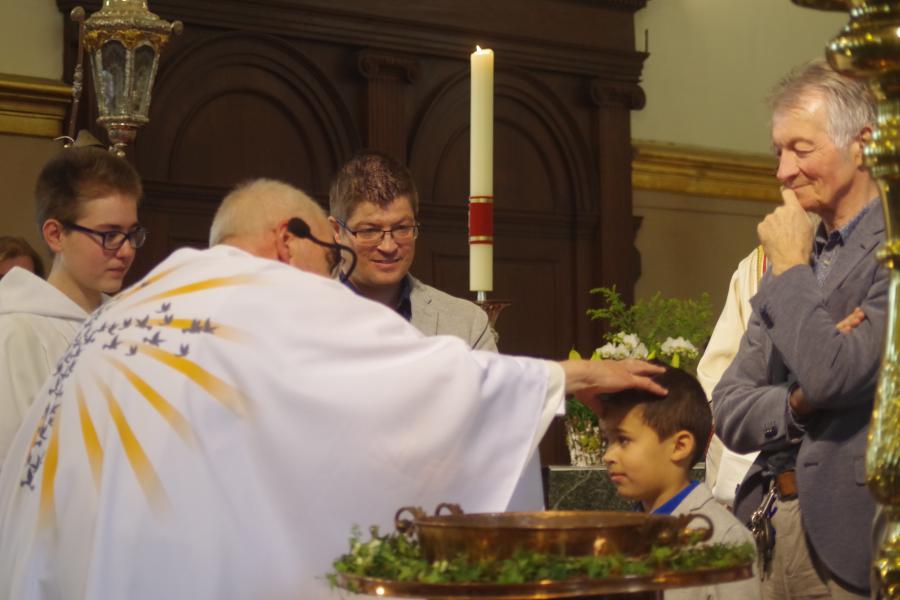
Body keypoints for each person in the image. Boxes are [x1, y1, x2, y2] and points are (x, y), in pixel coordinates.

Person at [0, 178, 666, 600]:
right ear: (287, 241)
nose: (334, 274)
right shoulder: (262, 292)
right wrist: (565, 376)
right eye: (333, 253)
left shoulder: (132, 306)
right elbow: (412, 379)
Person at [713, 58, 885, 599]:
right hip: (773, 522)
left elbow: (835, 375)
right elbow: (729, 406)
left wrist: (789, 270)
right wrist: (798, 404)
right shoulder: (800, 251)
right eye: (778, 152)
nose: (784, 171)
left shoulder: (889, 249)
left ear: (862, 144)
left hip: (856, 533)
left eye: (801, 149)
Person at [0, 146, 144, 467]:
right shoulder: (16, 333)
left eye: (132, 234)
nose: (125, 251)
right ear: (55, 235)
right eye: (109, 234)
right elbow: (11, 467)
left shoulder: (128, 327)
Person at [600, 365, 760, 600]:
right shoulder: (616, 534)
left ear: (679, 446)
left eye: (623, 440)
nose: (608, 455)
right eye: (607, 440)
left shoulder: (724, 539)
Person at [329, 150, 497, 351]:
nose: (388, 246)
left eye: (402, 228)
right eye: (370, 231)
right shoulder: (302, 315)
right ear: (337, 231)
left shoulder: (467, 325)